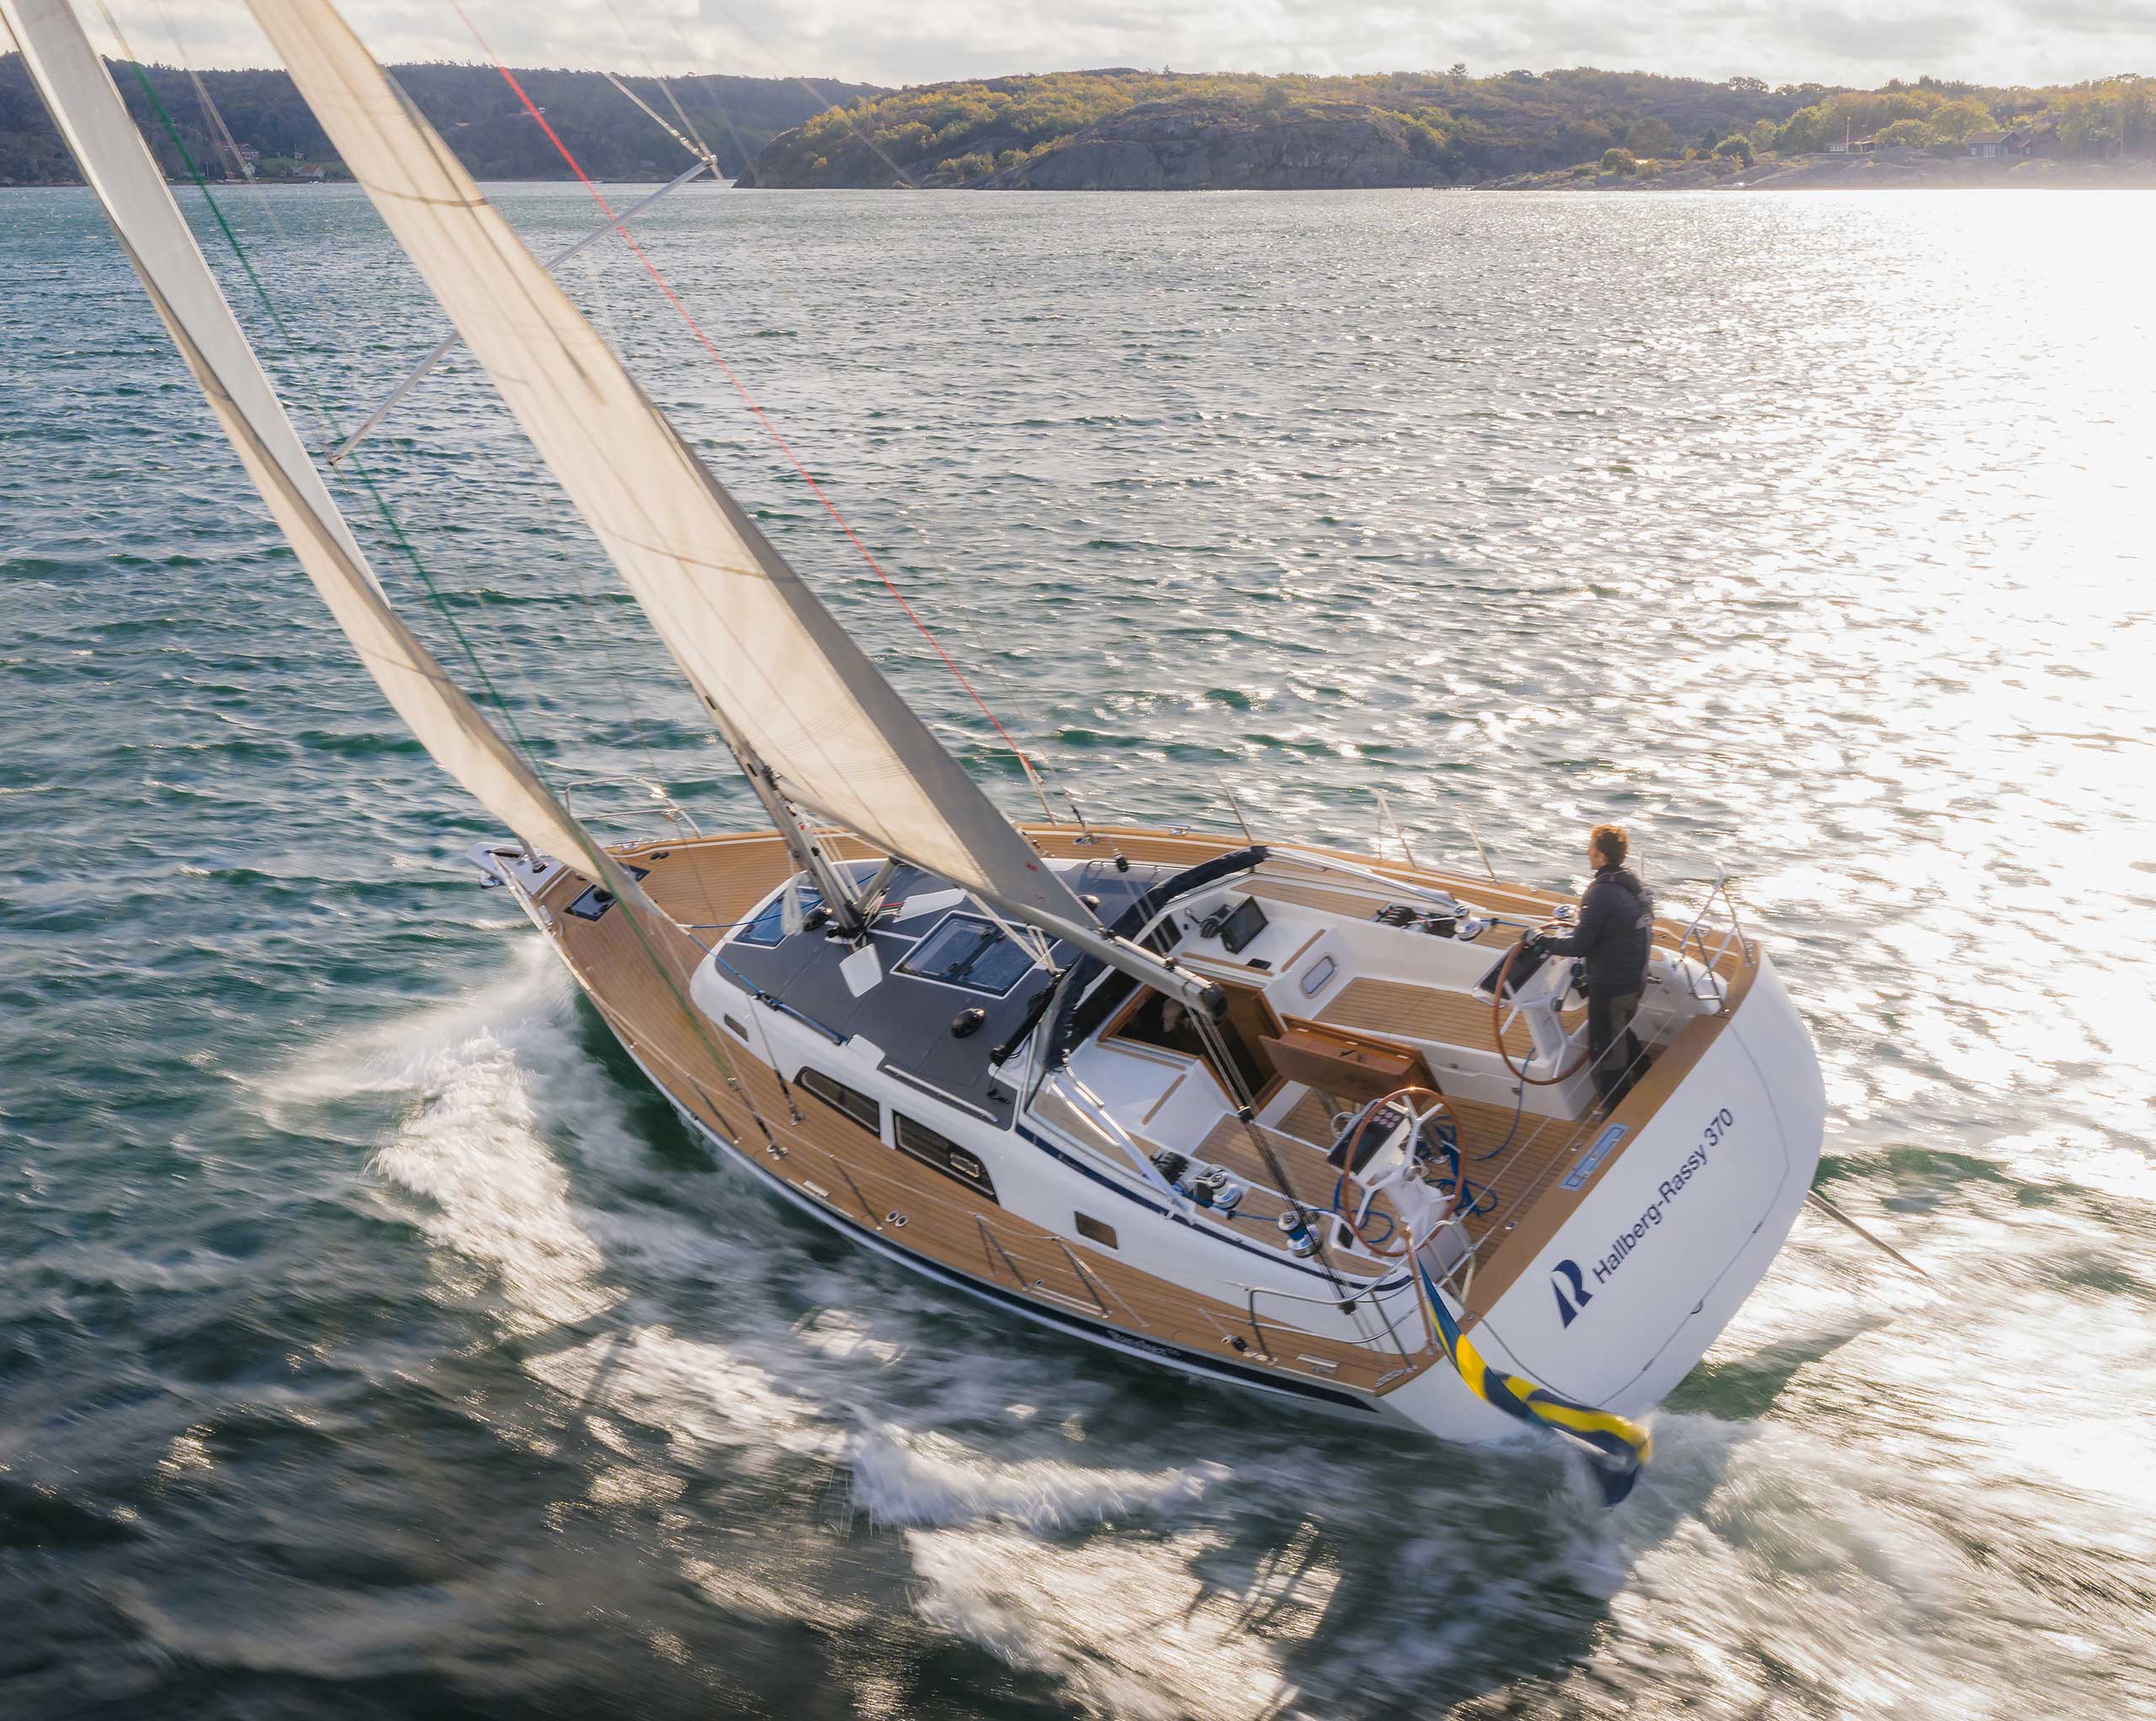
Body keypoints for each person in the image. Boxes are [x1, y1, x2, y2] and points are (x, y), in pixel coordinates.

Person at [1535, 823, 1655, 1108]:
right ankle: (1644, 1070)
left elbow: (1579, 946)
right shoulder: (1633, 882)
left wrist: (1543, 942)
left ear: (1601, 856)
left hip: (1611, 988)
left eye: (1591, 848)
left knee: (1604, 1050)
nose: (1587, 852)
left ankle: (1617, 1106)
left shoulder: (1600, 893)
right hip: (1636, 980)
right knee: (1619, 1028)